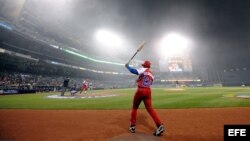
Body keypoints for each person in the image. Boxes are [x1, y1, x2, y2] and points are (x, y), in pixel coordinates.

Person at [125, 60, 164, 136]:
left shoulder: (143, 69)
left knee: (135, 108)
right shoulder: (152, 74)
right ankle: (160, 125)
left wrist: (128, 67)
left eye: (143, 65)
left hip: (140, 90)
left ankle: (132, 126)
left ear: (144, 65)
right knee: (150, 109)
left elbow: (134, 71)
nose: (142, 66)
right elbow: (149, 82)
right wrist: (139, 79)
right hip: (148, 91)